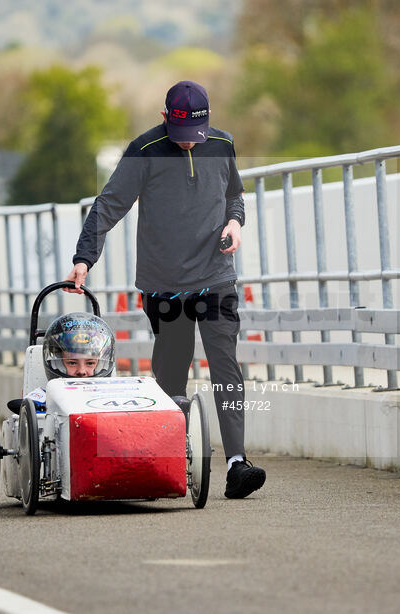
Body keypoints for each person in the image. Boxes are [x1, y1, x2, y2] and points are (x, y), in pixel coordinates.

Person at [64, 80, 266, 499]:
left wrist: (235, 223)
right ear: (164, 119)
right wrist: (85, 257)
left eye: (196, 136)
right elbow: (108, 205)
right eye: (181, 137)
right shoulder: (145, 151)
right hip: (165, 284)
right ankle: (169, 461)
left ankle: (236, 463)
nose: (189, 145)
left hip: (216, 276)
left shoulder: (223, 143)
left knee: (225, 364)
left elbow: (235, 196)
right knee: (172, 374)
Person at [42, 313, 115, 380]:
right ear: (58, 365)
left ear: (101, 365)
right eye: (72, 363)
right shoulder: (42, 394)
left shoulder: (110, 393)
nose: (81, 371)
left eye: (90, 363)